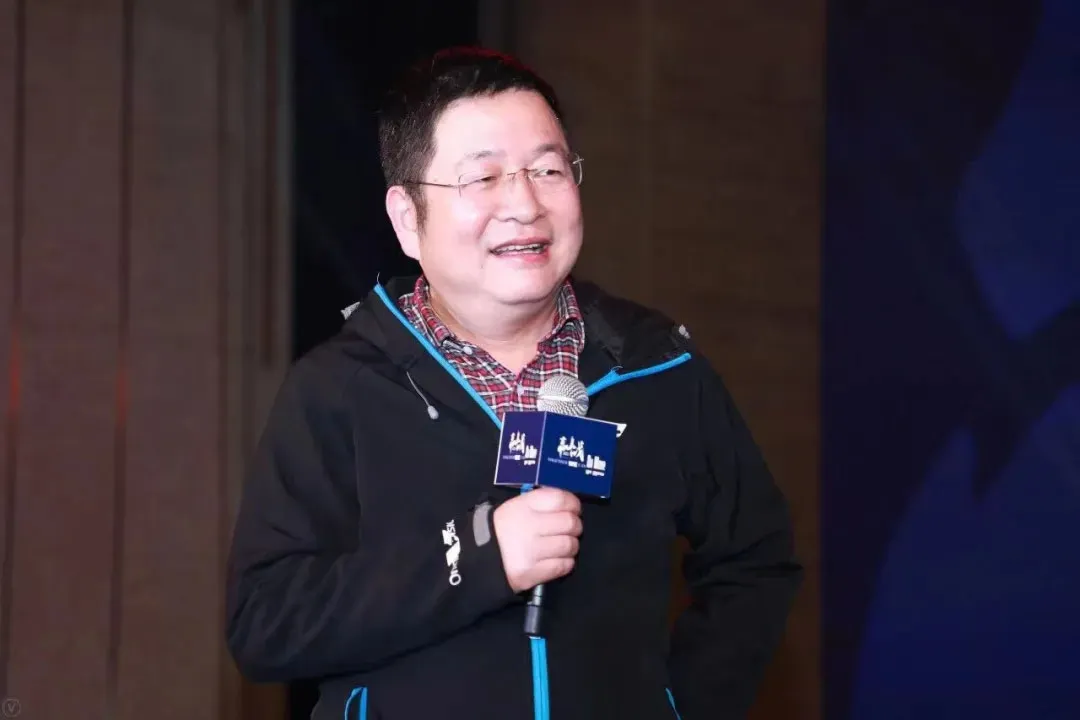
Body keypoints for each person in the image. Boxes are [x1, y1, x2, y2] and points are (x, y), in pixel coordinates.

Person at [225, 47, 802, 720]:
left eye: (548, 169)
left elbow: (755, 562)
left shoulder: (657, 369)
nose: (525, 204)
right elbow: (265, 621)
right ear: (409, 218)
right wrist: (479, 558)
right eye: (484, 177)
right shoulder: (338, 390)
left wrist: (679, 707)